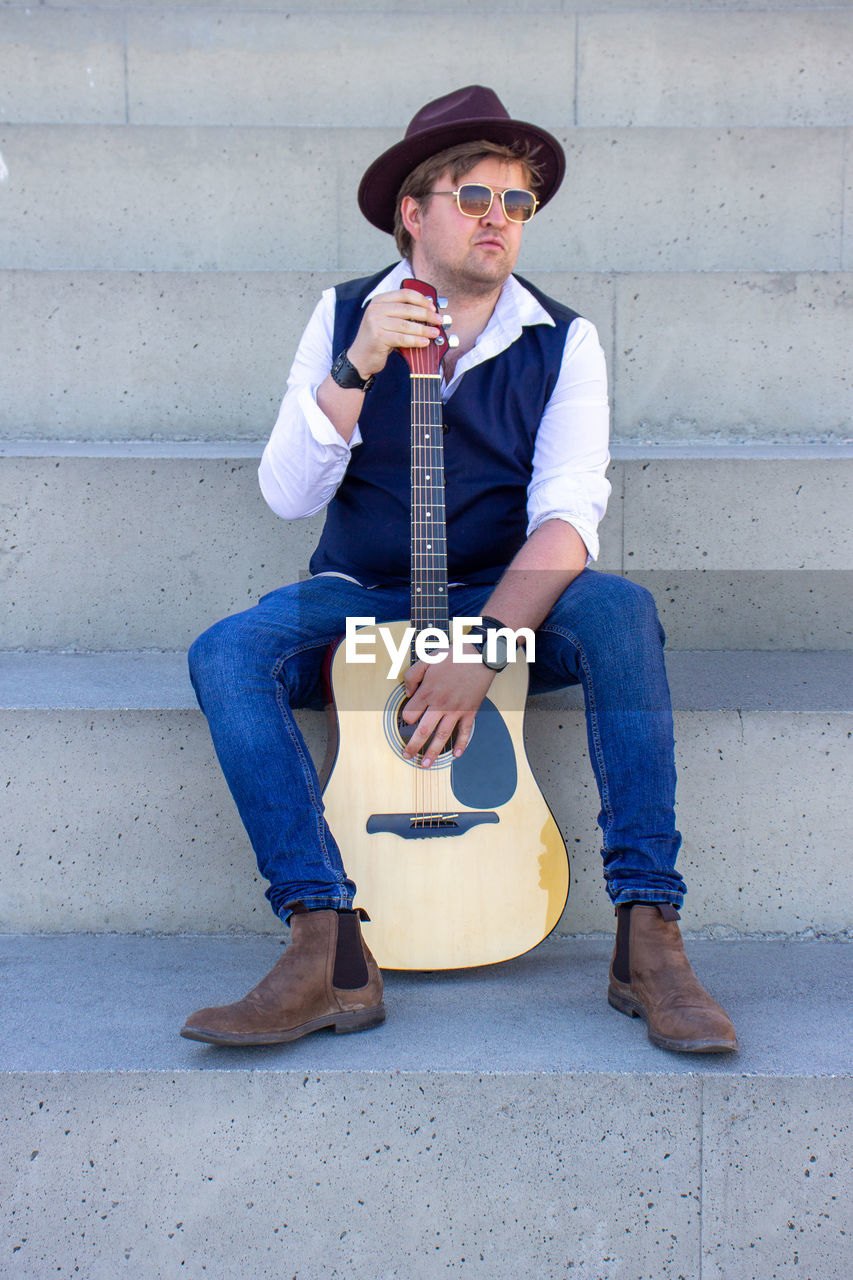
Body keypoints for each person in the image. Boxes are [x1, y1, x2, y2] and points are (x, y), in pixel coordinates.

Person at [181, 86, 737, 1055]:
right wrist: (354, 364)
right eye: (477, 198)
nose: (500, 221)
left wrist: (480, 645)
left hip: (496, 595)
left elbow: (567, 522)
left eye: (516, 205)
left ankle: (649, 934)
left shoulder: (563, 341)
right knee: (227, 652)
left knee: (620, 614)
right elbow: (285, 494)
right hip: (363, 594)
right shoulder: (341, 313)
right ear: (414, 209)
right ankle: (324, 940)